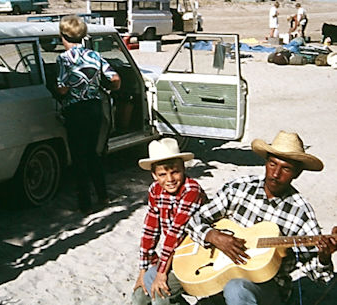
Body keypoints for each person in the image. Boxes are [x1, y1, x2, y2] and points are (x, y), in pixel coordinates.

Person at [186, 130, 337, 305]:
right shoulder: (240, 188)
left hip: (266, 287)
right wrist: (213, 236)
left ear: (297, 173)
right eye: (272, 164)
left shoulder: (300, 212)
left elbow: (320, 276)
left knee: (236, 288)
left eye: (286, 168)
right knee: (156, 277)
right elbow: (194, 220)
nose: (276, 174)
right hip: (218, 269)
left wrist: (324, 258)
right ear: (266, 162)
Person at [56, 15, 121, 213]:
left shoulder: (64, 59)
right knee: (93, 153)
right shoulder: (94, 56)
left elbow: (62, 89)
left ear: (63, 36)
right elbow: (116, 79)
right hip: (94, 108)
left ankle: (85, 203)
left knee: (78, 157)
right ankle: (103, 196)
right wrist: (105, 89)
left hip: (75, 110)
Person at [132, 138, 206, 305]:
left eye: (175, 172)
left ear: (183, 169)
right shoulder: (155, 189)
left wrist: (162, 271)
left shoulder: (191, 190)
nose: (170, 179)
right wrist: (143, 269)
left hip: (195, 253)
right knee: (139, 297)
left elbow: (176, 232)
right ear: (154, 175)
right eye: (162, 174)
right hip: (173, 254)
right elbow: (150, 229)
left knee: (161, 294)